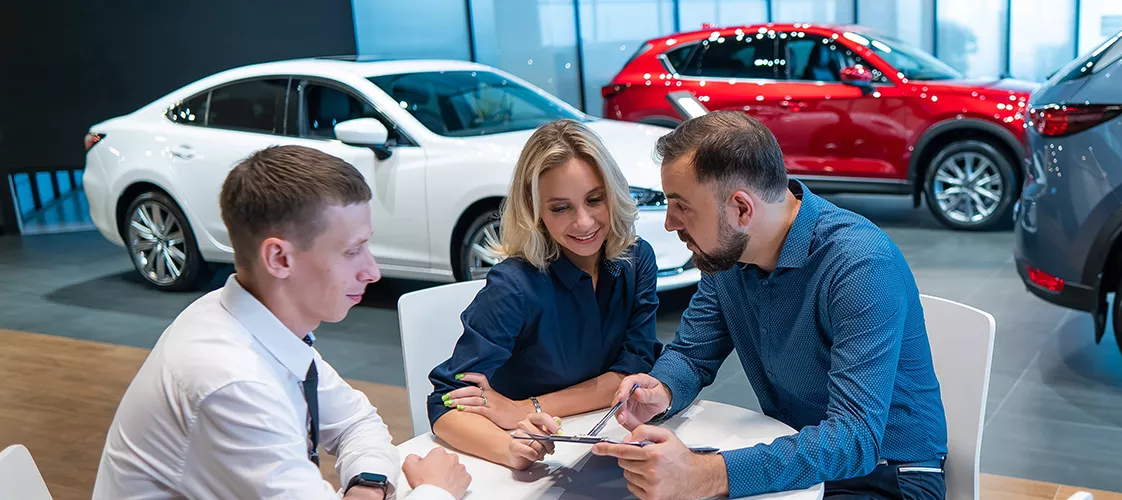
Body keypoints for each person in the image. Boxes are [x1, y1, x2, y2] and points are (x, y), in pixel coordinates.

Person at [591, 111, 949, 500]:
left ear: (742, 209)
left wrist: (708, 474)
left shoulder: (859, 264)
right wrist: (661, 388)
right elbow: (693, 354)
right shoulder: (729, 256)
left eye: (682, 206)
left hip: (888, 475)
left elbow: (854, 439)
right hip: (799, 458)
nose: (670, 223)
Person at [93, 145, 476, 499]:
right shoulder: (232, 380)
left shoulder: (251, 323)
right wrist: (437, 492)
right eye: (352, 251)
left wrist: (368, 486)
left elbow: (356, 422)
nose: (371, 271)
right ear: (279, 259)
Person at [425, 119, 663, 470]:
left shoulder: (636, 259)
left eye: (595, 200)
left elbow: (632, 369)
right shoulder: (513, 286)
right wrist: (508, 447)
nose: (584, 222)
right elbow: (444, 403)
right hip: (533, 457)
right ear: (534, 211)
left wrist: (527, 406)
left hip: (607, 443)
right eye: (560, 208)